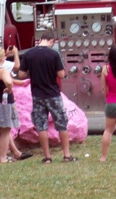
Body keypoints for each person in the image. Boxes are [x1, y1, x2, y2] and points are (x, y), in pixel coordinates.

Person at [18, 30, 77, 163]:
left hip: (37, 95)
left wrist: (32, 72)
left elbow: (21, 75)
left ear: (40, 39)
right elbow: (61, 75)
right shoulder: (54, 54)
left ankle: (47, 157)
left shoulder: (29, 54)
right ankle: (67, 155)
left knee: (41, 126)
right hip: (53, 94)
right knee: (61, 124)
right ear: (51, 41)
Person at [0, 42, 32, 161]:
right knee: (5, 131)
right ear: (2, 58)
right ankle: (3, 157)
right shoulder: (2, 70)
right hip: (3, 103)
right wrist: (9, 89)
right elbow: (9, 81)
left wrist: (4, 54)